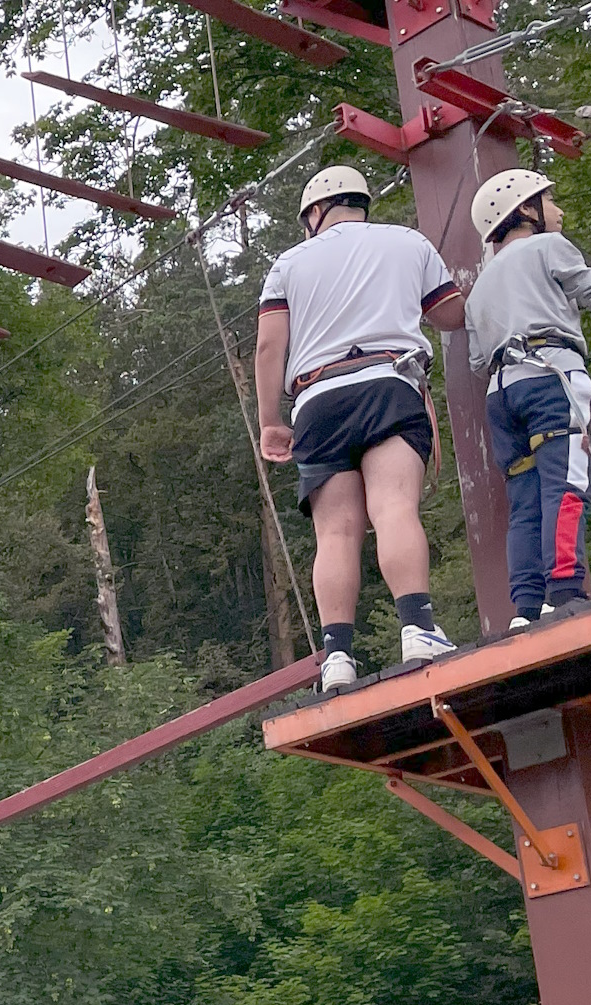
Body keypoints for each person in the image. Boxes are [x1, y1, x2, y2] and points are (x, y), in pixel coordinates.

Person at [256, 165, 469, 695]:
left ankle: (337, 657)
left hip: (317, 398)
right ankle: (418, 628)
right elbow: (450, 315)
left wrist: (270, 422)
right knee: (393, 507)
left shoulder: (288, 264)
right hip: (387, 381)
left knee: (335, 532)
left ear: (314, 214)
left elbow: (267, 347)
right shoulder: (407, 242)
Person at [466, 168, 591, 628]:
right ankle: (564, 592)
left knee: (525, 500)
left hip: (502, 393)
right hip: (551, 378)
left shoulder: (478, 289)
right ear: (525, 210)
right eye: (548, 200)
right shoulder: (549, 247)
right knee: (565, 486)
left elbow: (477, 356)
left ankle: (525, 608)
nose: (558, 211)